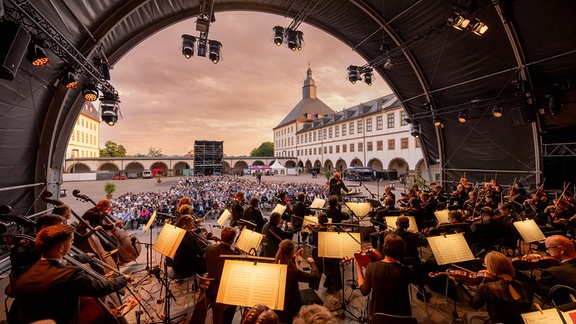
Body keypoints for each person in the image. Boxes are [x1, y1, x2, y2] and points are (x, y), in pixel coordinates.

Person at [9, 224, 129, 324]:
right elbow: (102, 288)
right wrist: (123, 279)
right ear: (61, 249)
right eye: (71, 242)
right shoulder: (70, 274)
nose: (72, 246)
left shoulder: (21, 273)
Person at [453, 251, 533, 324]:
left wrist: (458, 284)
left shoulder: (487, 287)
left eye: (486, 265)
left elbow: (474, 305)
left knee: (468, 316)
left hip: (498, 322)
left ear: (492, 267)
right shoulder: (526, 286)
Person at [355, 233, 417, 320]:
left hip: (378, 318)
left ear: (384, 247)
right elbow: (418, 279)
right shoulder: (406, 271)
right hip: (403, 318)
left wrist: (358, 267)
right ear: (402, 250)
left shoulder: (372, 267)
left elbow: (364, 291)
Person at [191, 226, 240, 324]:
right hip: (221, 289)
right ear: (232, 239)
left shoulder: (209, 248)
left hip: (207, 284)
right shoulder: (234, 255)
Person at [274, 239, 320, 323]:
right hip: (290, 306)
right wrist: (312, 262)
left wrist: (295, 257)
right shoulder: (292, 271)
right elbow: (315, 277)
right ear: (291, 252)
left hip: (278, 302)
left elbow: (289, 261)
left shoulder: (277, 262)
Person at [537, 235, 576, 303]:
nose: (547, 252)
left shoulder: (551, 272)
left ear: (560, 249)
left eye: (548, 249)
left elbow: (545, 294)